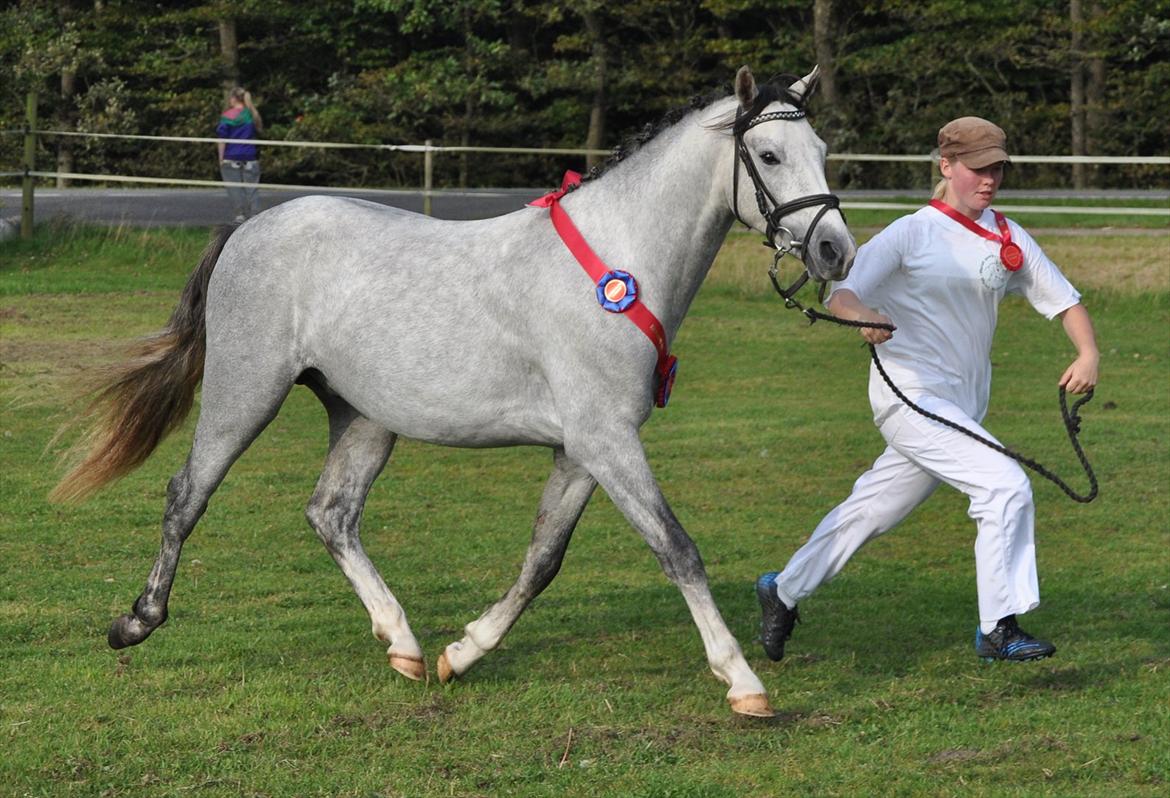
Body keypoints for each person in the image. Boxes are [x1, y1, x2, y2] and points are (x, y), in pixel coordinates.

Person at [756, 116, 1100, 663]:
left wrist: (1088, 353)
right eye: (978, 168)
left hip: (962, 404)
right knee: (1003, 484)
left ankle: (784, 589)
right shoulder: (911, 231)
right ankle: (998, 628)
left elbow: (1065, 301)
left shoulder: (1008, 234)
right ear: (946, 166)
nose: (989, 179)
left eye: (997, 169)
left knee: (872, 509)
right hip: (909, 395)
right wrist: (865, 315)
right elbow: (841, 294)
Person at [216, 87, 263, 223]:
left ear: (233, 99)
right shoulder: (251, 114)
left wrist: (221, 158)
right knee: (252, 189)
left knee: (234, 188)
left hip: (231, 156)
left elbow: (222, 139)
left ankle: (240, 216)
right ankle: (255, 216)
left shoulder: (227, 116)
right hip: (250, 157)